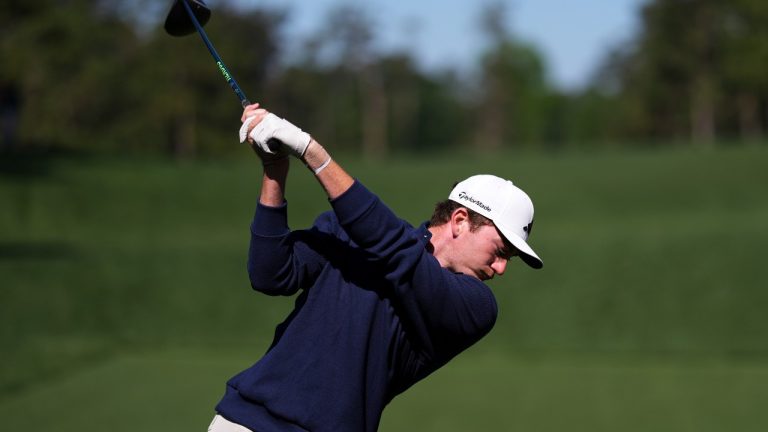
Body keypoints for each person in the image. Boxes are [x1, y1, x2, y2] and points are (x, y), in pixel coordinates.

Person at [209, 104, 543, 432]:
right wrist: (274, 169)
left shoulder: (476, 307)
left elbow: (396, 252)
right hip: (244, 421)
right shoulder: (349, 234)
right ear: (459, 221)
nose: (501, 268)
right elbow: (270, 274)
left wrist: (311, 152)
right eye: (501, 251)